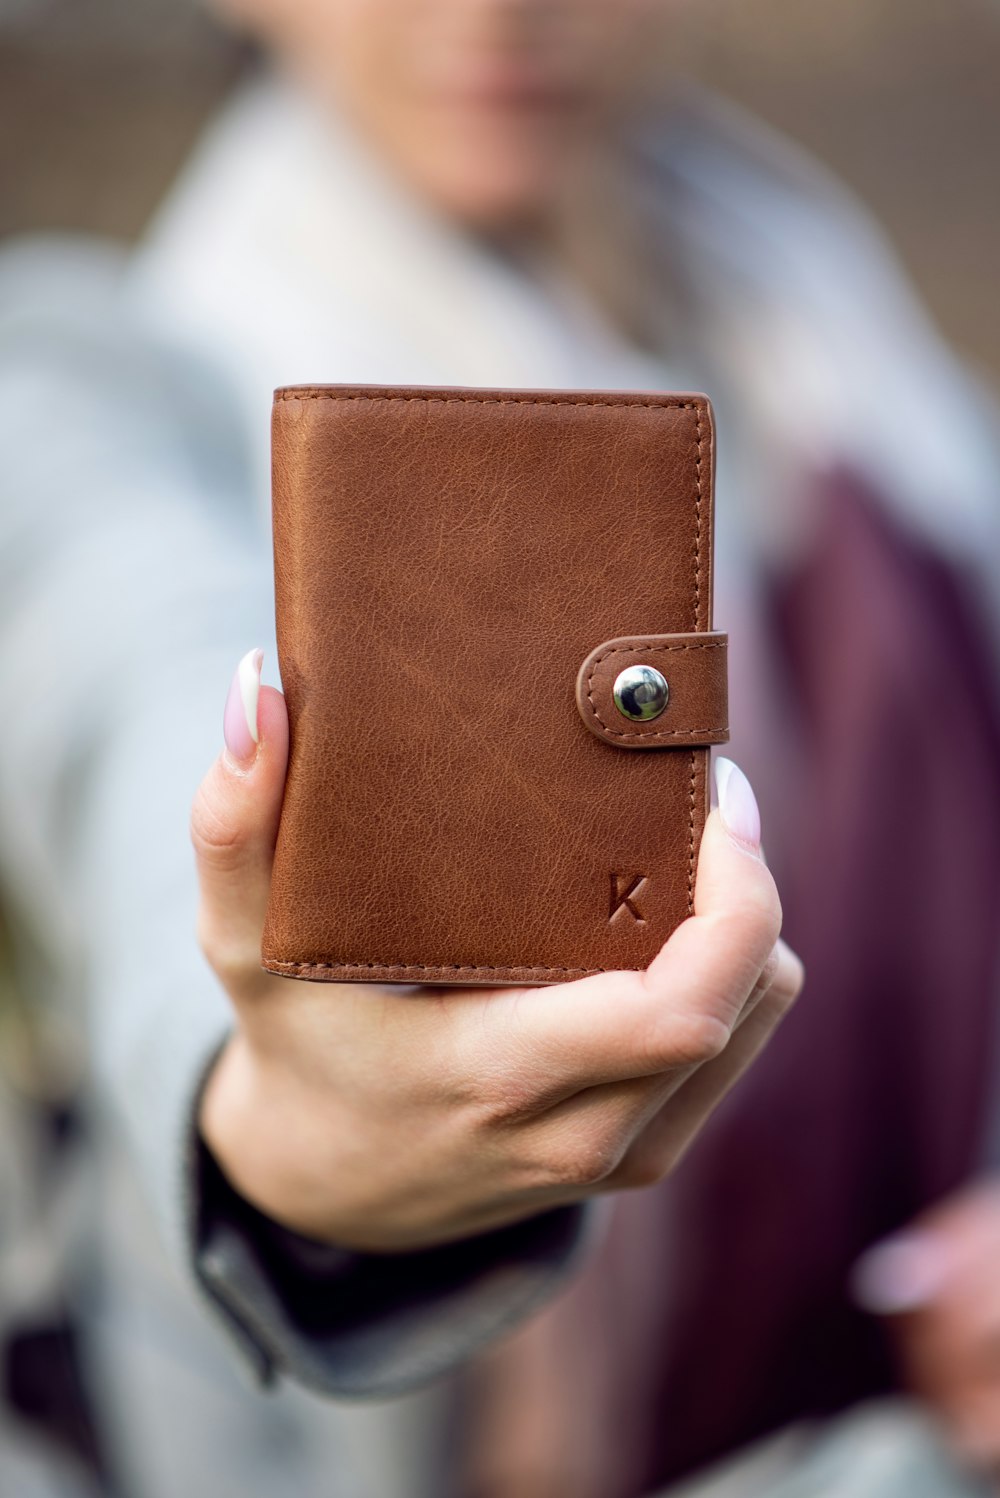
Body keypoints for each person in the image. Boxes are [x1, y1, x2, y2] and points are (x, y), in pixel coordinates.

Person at [0, 3, 997, 1496]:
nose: (494, 10)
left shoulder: (848, 356)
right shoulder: (112, 387)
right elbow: (128, 682)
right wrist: (276, 1133)